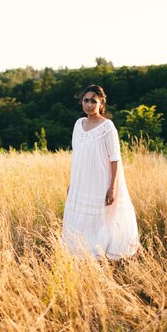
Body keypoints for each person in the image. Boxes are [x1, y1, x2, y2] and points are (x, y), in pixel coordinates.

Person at [61, 85, 140, 260]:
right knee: (81, 219)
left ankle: (99, 256)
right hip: (82, 181)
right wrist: (72, 182)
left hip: (101, 181)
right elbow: (77, 156)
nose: (89, 104)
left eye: (93, 101)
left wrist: (112, 188)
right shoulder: (78, 125)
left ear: (101, 103)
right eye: (86, 100)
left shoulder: (108, 127)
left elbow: (115, 159)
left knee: (100, 220)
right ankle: (82, 255)